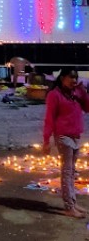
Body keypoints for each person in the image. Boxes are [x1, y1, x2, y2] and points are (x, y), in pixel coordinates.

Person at [42, 67, 89, 218]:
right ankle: (69, 206)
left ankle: (73, 203)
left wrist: (83, 92)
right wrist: (46, 140)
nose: (74, 80)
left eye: (76, 77)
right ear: (62, 78)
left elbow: (87, 108)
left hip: (76, 136)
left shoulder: (75, 93)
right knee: (67, 171)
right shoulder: (54, 95)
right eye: (71, 77)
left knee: (72, 172)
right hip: (63, 136)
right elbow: (49, 118)